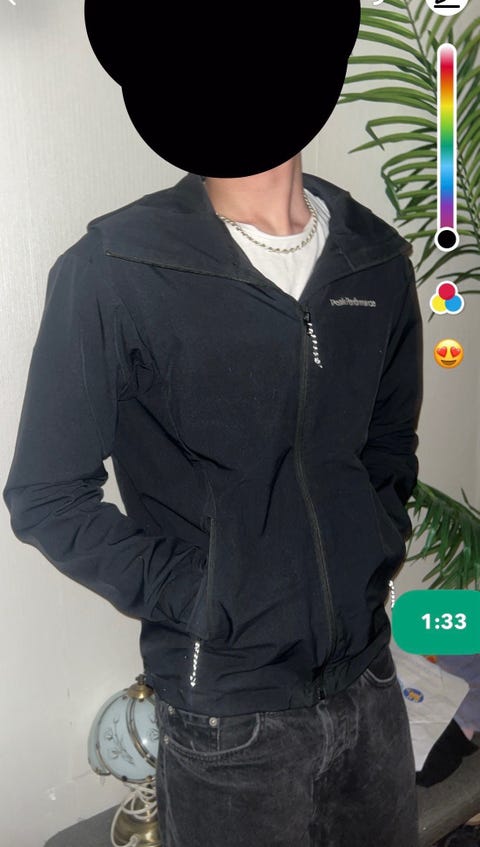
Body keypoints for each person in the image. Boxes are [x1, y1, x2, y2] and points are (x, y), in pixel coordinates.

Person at [3, 151, 423, 846]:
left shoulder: (373, 259)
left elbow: (388, 443)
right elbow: (46, 494)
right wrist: (205, 596)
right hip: (228, 716)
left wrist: (371, 549)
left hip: (370, 683)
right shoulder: (116, 267)